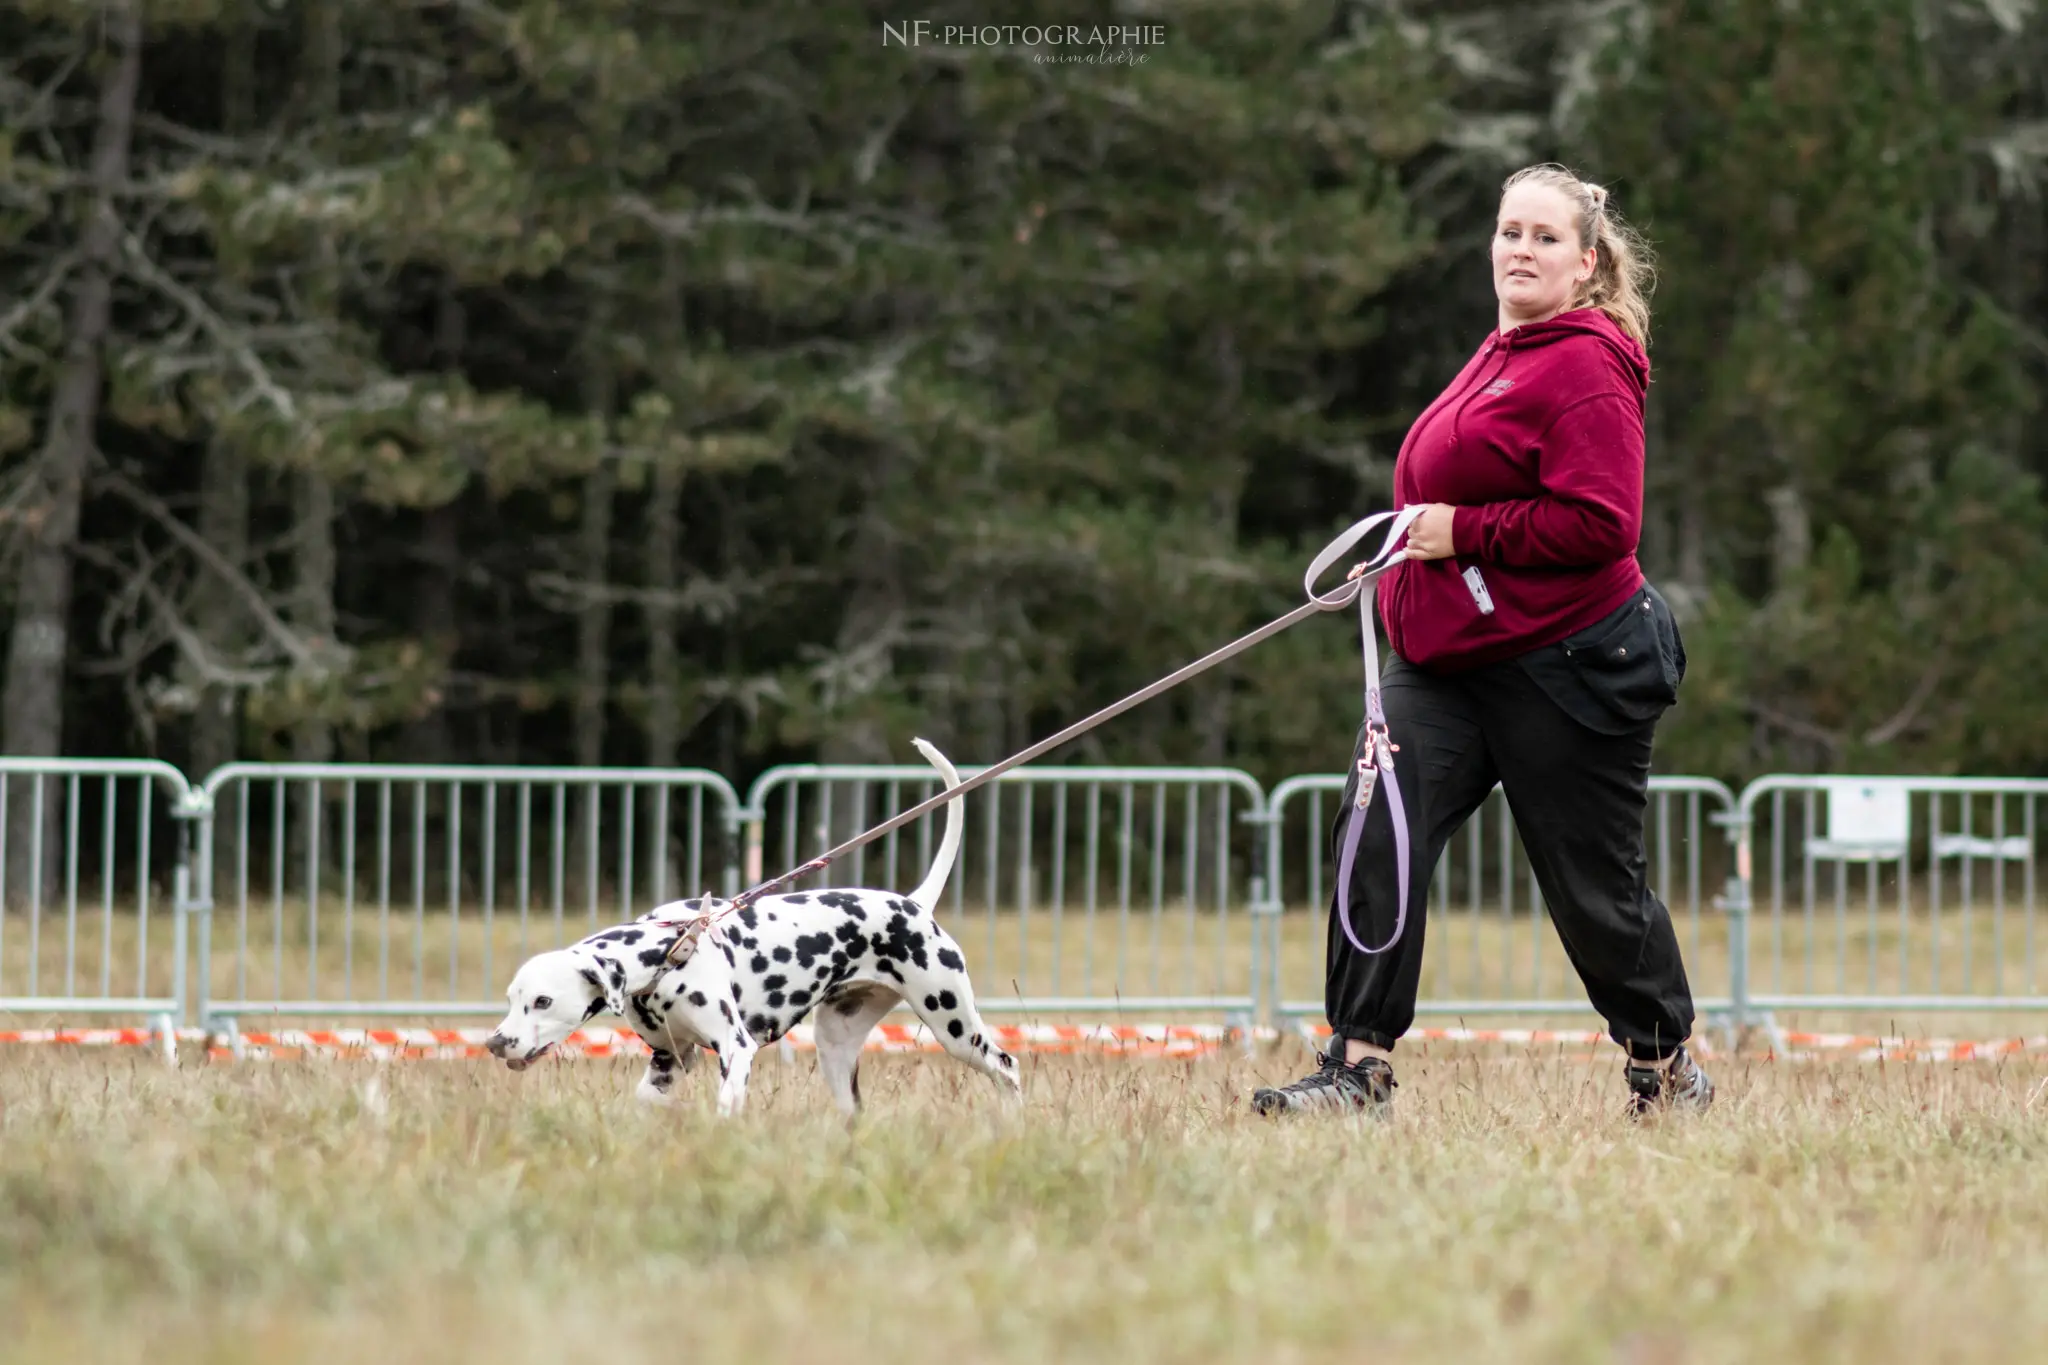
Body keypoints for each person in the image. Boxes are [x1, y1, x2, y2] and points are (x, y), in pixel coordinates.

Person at [1251, 163, 1714, 1121]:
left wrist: (1461, 531)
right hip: (1448, 665)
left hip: (1568, 665)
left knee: (1593, 893)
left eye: (1546, 238)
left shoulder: (1586, 361)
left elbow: (1600, 524)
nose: (1521, 250)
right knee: (1378, 827)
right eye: (1510, 232)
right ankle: (1356, 1067)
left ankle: (1666, 1070)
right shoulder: (1504, 345)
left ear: (1588, 264)